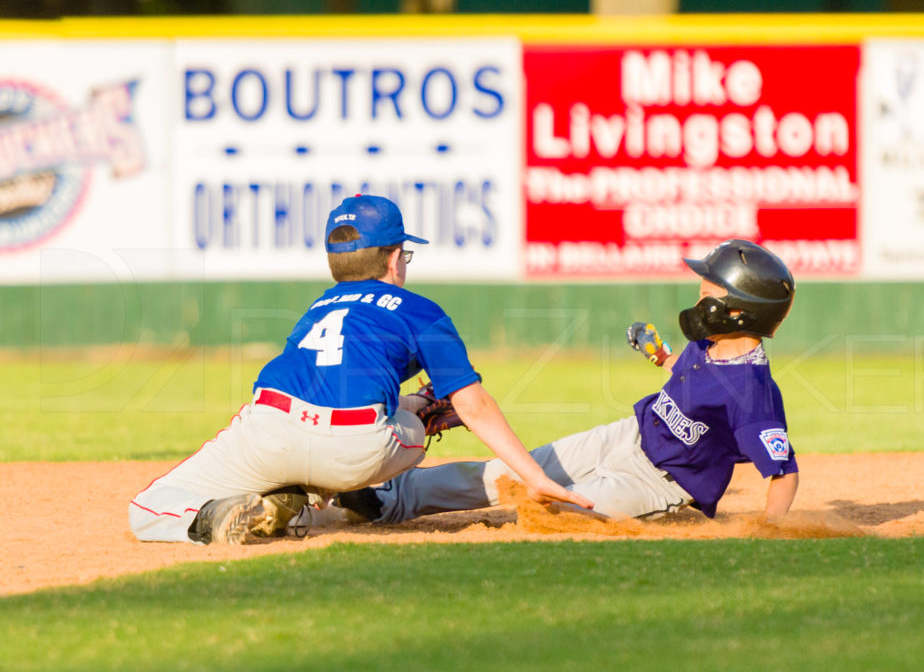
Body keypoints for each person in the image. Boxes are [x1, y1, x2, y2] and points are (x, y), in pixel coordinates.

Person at [129, 194, 592, 545]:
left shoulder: (316, 309)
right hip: (357, 451)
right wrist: (535, 477)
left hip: (268, 428)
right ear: (394, 258)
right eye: (404, 255)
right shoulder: (421, 311)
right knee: (418, 417)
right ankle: (363, 497)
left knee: (146, 508)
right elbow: (474, 405)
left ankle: (211, 518)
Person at [331, 239, 799, 526]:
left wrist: (769, 532)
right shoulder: (708, 345)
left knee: (563, 514)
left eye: (707, 295)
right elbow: (688, 376)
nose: (698, 302)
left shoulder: (754, 394)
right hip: (624, 436)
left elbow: (783, 473)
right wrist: (659, 355)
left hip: (662, 484)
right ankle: (390, 499)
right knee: (518, 473)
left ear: (739, 312)